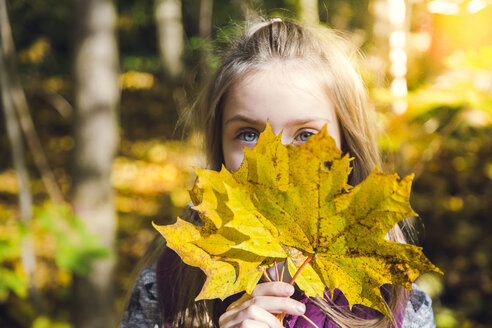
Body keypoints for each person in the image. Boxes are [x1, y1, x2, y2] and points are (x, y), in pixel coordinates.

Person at [121, 18, 436, 328]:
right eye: (249, 134)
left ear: (346, 147)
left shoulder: (401, 305)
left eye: (306, 136)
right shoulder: (163, 291)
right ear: (219, 149)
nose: (277, 165)